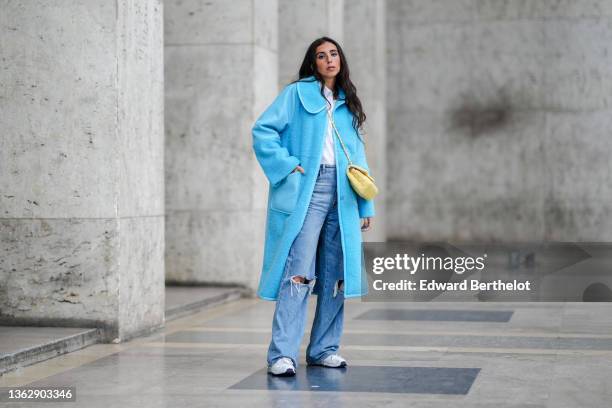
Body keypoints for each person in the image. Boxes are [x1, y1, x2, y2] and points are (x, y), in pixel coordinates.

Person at [252, 36, 376, 376]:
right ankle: (282, 354)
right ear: (313, 63)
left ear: (341, 59)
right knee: (299, 271)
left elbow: (358, 158)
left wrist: (365, 207)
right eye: (321, 56)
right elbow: (263, 130)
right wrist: (288, 165)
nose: (329, 60)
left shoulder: (348, 102)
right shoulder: (296, 94)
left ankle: (324, 348)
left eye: (334, 53)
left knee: (336, 274)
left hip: (344, 192)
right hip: (311, 187)